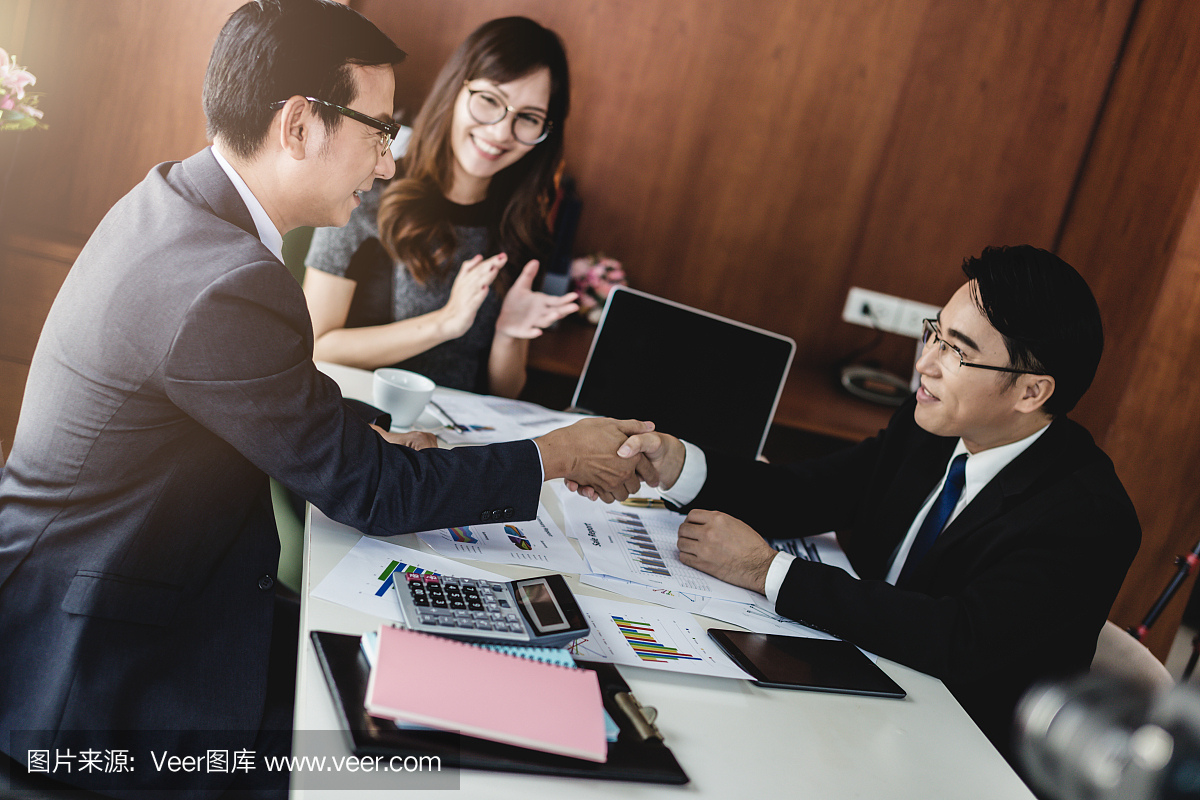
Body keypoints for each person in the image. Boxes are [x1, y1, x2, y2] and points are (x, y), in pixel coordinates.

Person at [0, 2, 647, 796]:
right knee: (412, 767)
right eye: (379, 133)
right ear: (300, 124)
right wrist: (553, 455)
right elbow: (367, 492)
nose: (385, 164)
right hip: (93, 670)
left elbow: (264, 397)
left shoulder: (178, 204)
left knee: (423, 696)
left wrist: (376, 430)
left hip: (141, 595)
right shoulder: (228, 279)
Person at [609, 245, 1141, 761]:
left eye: (956, 352)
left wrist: (764, 570)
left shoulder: (1087, 518)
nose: (924, 365)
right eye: (933, 334)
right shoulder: (932, 427)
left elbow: (955, 638)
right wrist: (677, 465)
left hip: (950, 749)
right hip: (855, 680)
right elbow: (806, 492)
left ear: (1031, 392)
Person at [303, 16, 578, 399]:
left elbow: (505, 394)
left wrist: (509, 333)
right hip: (367, 423)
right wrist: (446, 322)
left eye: (528, 119)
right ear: (456, 90)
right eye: (489, 100)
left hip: (462, 440)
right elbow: (316, 346)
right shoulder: (364, 195)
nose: (500, 132)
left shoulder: (521, 227)